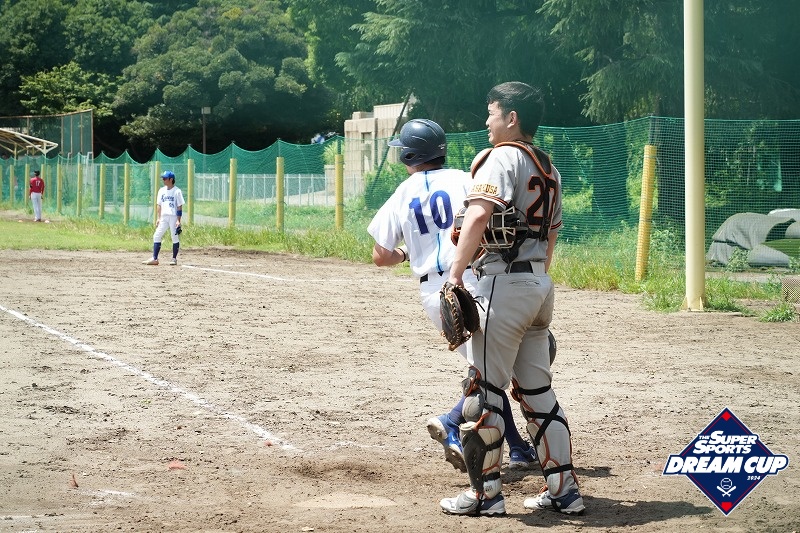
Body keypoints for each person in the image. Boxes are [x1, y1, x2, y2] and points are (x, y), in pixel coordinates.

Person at [439, 82, 584, 516]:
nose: (487, 121)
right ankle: (565, 491)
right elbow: (551, 236)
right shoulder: (549, 168)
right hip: (538, 284)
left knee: (482, 393)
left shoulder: (502, 156)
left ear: (512, 118)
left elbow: (479, 214)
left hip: (502, 285)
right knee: (539, 394)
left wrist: (454, 274)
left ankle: (485, 496)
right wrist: (535, 281)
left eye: (492, 113)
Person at [366, 118, 537, 475]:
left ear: (409, 155)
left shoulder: (402, 192)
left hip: (435, 293)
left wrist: (408, 253)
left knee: (488, 368)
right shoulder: (464, 179)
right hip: (476, 278)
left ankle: (514, 446)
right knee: (490, 369)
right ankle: (464, 425)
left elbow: (380, 255)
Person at [143, 170, 184, 266]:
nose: (163, 180)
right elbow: (159, 205)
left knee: (174, 237)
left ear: (171, 179)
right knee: (156, 235)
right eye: (163, 178)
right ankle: (155, 258)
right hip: (164, 217)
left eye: (165, 178)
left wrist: (178, 220)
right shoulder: (161, 191)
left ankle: (174, 259)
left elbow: (179, 206)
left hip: (173, 216)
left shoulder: (177, 191)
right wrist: (158, 218)